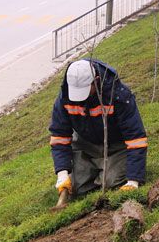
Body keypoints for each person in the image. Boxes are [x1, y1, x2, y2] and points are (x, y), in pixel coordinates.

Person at [49, 59, 148, 196]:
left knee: (110, 182)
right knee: (77, 188)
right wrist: (62, 173)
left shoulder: (118, 95)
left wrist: (133, 181)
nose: (79, 98)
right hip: (86, 145)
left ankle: (108, 170)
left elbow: (136, 139)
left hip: (116, 146)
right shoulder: (64, 98)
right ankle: (96, 170)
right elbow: (59, 137)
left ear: (96, 80)